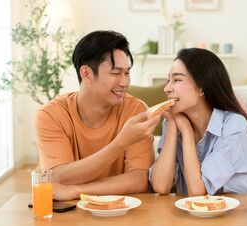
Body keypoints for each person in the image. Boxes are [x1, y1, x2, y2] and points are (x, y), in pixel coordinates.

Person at [34, 30, 163, 201]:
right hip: (69, 213)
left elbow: (140, 180)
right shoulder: (50, 115)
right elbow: (59, 177)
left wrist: (76, 191)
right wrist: (121, 143)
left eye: (127, 73)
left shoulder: (136, 111)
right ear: (86, 74)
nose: (125, 82)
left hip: (120, 210)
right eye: (116, 73)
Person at [149, 48, 247, 196]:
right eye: (169, 80)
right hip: (194, 215)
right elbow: (161, 186)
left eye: (177, 80)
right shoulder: (175, 121)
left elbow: (197, 191)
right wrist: (172, 126)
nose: (167, 88)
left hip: (236, 214)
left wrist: (187, 131)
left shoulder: (234, 125)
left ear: (201, 87)